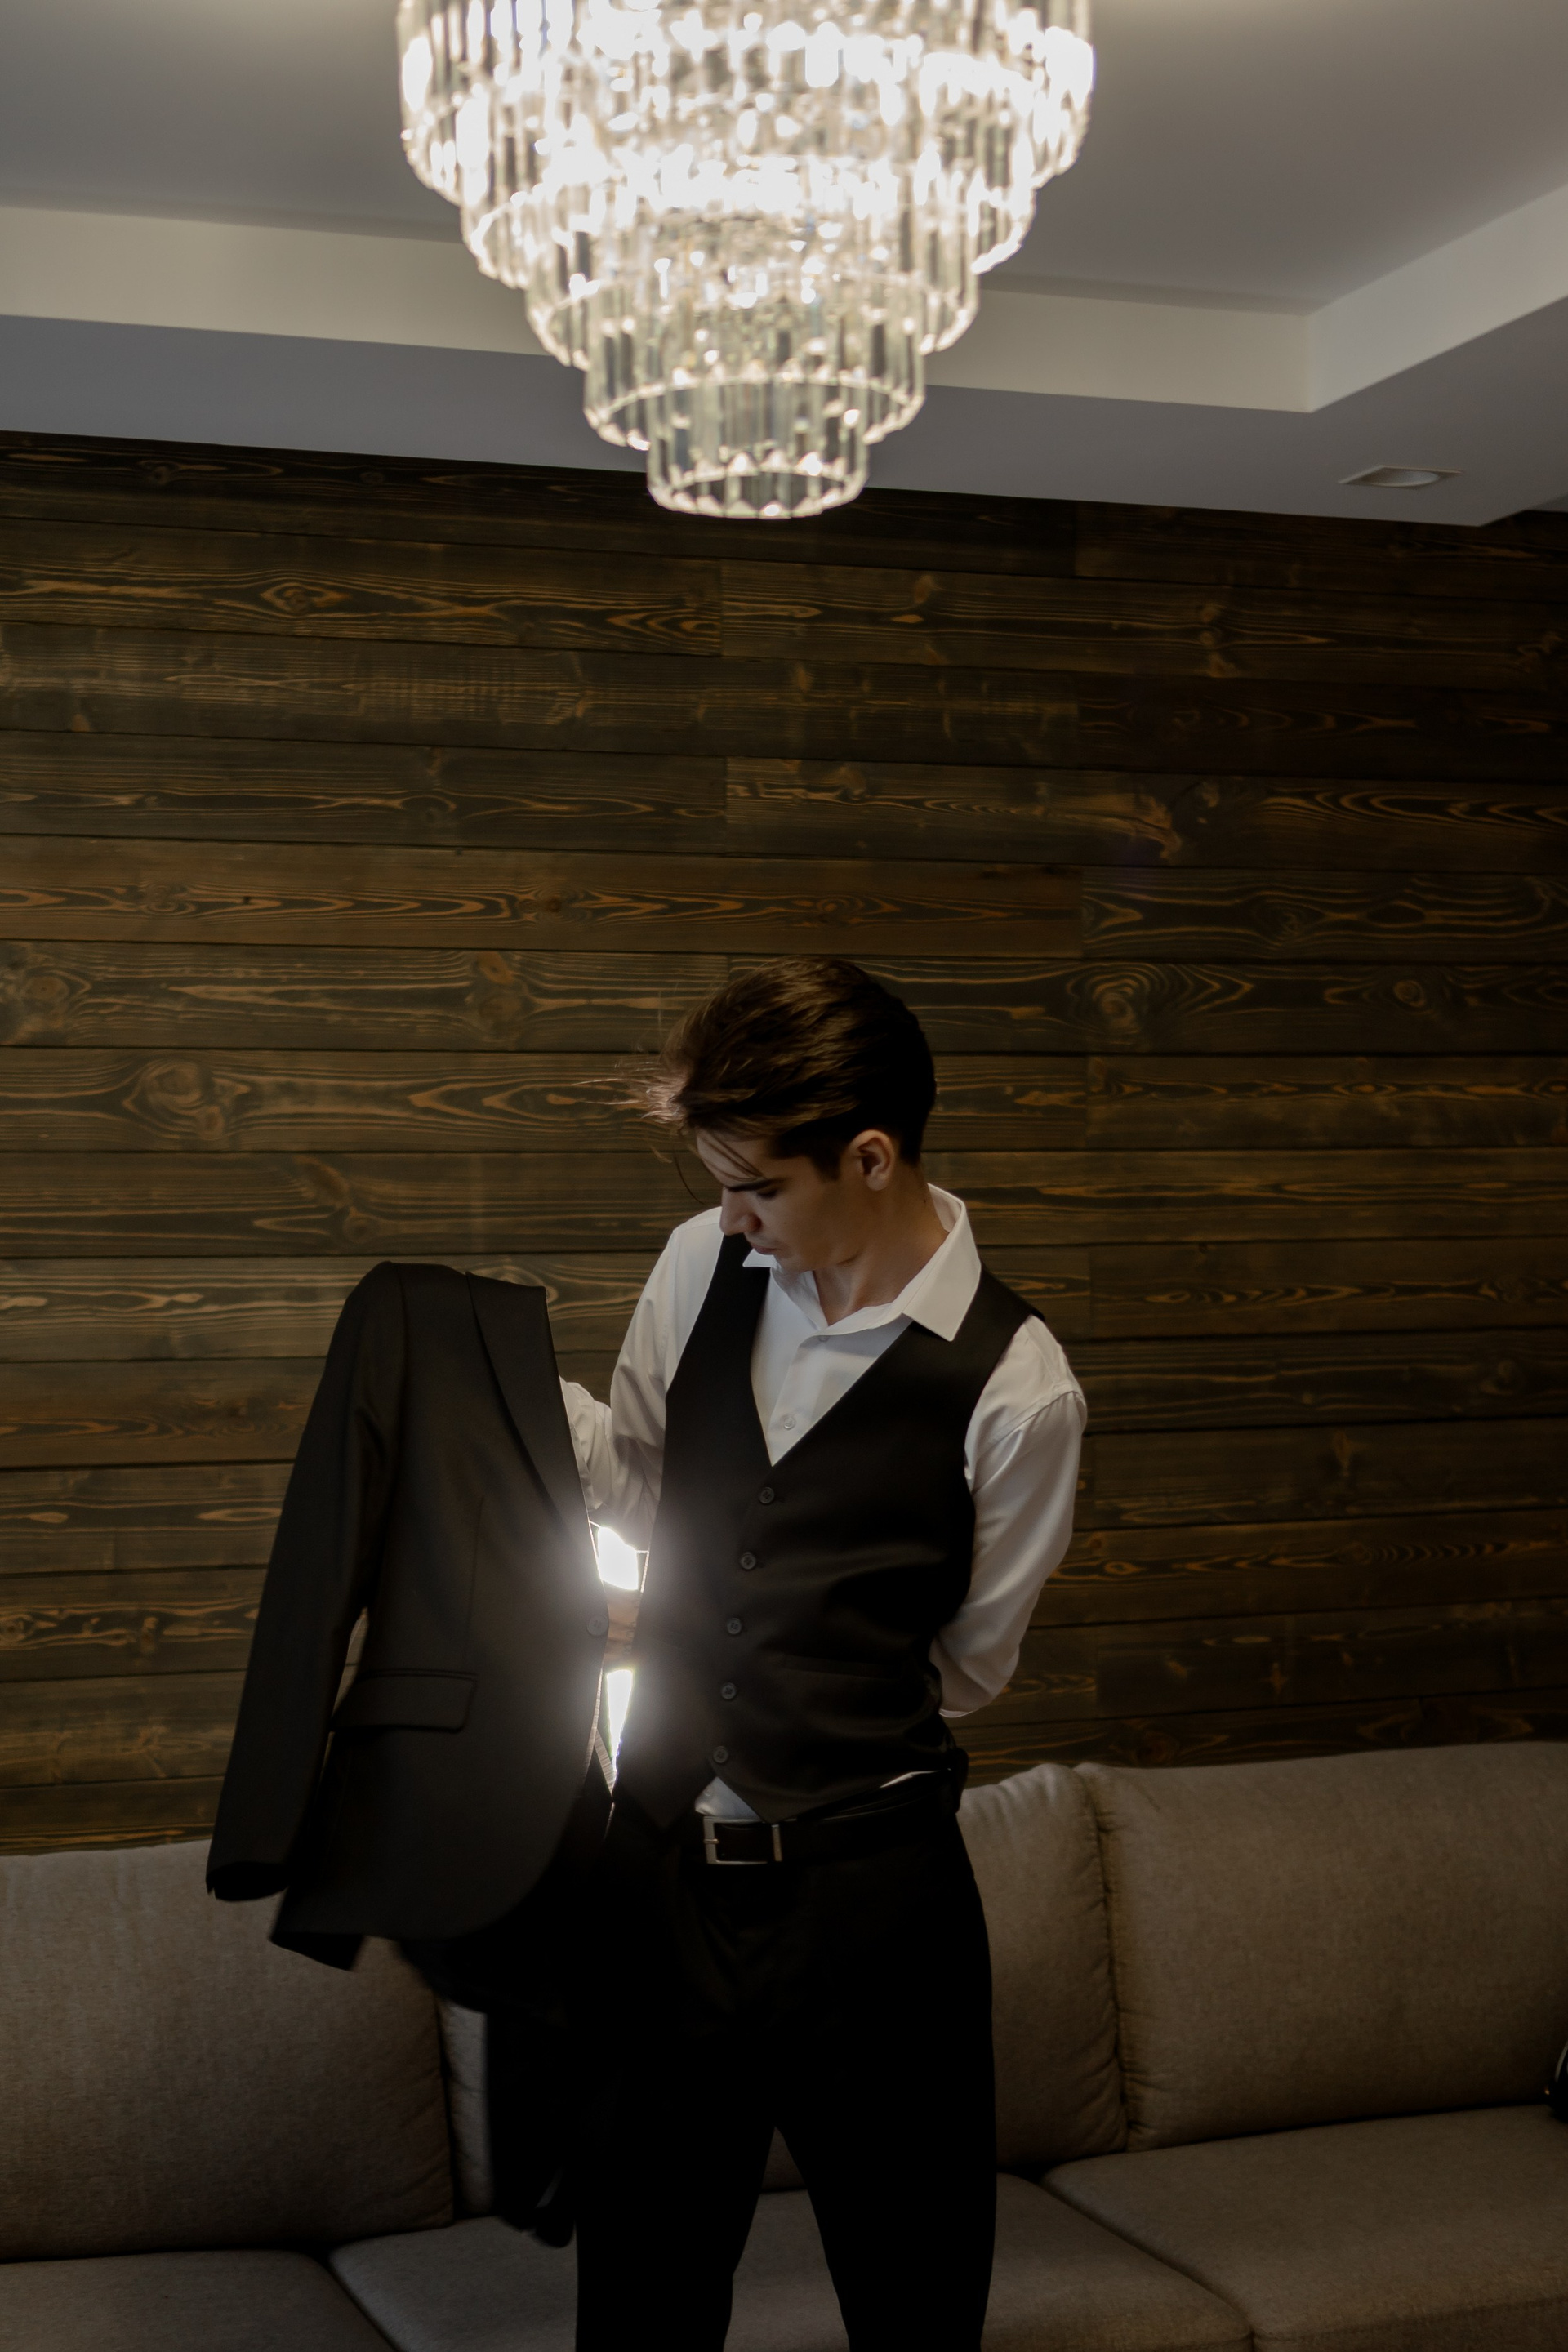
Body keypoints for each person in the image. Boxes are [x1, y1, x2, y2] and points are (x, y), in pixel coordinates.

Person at [560, 956, 1085, 2350]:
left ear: (869, 1156)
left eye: (758, 1188)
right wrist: (504, 1413)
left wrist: (777, 1653)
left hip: (874, 1911)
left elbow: (968, 1664)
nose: (731, 1217)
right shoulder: (700, 1264)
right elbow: (644, 1494)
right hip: (660, 1879)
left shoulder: (1020, 1388)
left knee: (914, 2302)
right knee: (638, 2298)